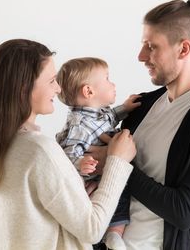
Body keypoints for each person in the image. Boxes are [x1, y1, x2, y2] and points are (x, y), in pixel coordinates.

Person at [90, 0, 190, 250]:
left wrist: (114, 165)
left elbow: (184, 211)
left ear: (184, 48)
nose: (141, 56)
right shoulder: (141, 107)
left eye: (151, 46)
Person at [0, 39, 136, 250]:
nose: (58, 89)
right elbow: (92, 229)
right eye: (51, 81)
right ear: (23, 89)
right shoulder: (39, 151)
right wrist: (116, 161)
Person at [55, 57, 141, 250]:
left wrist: (125, 109)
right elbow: (67, 156)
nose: (113, 84)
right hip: (91, 178)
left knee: (121, 192)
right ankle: (110, 234)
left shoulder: (96, 113)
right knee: (112, 196)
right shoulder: (79, 125)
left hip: (105, 171)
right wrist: (81, 163)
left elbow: (110, 118)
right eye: (108, 79)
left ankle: (114, 235)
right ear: (89, 91)